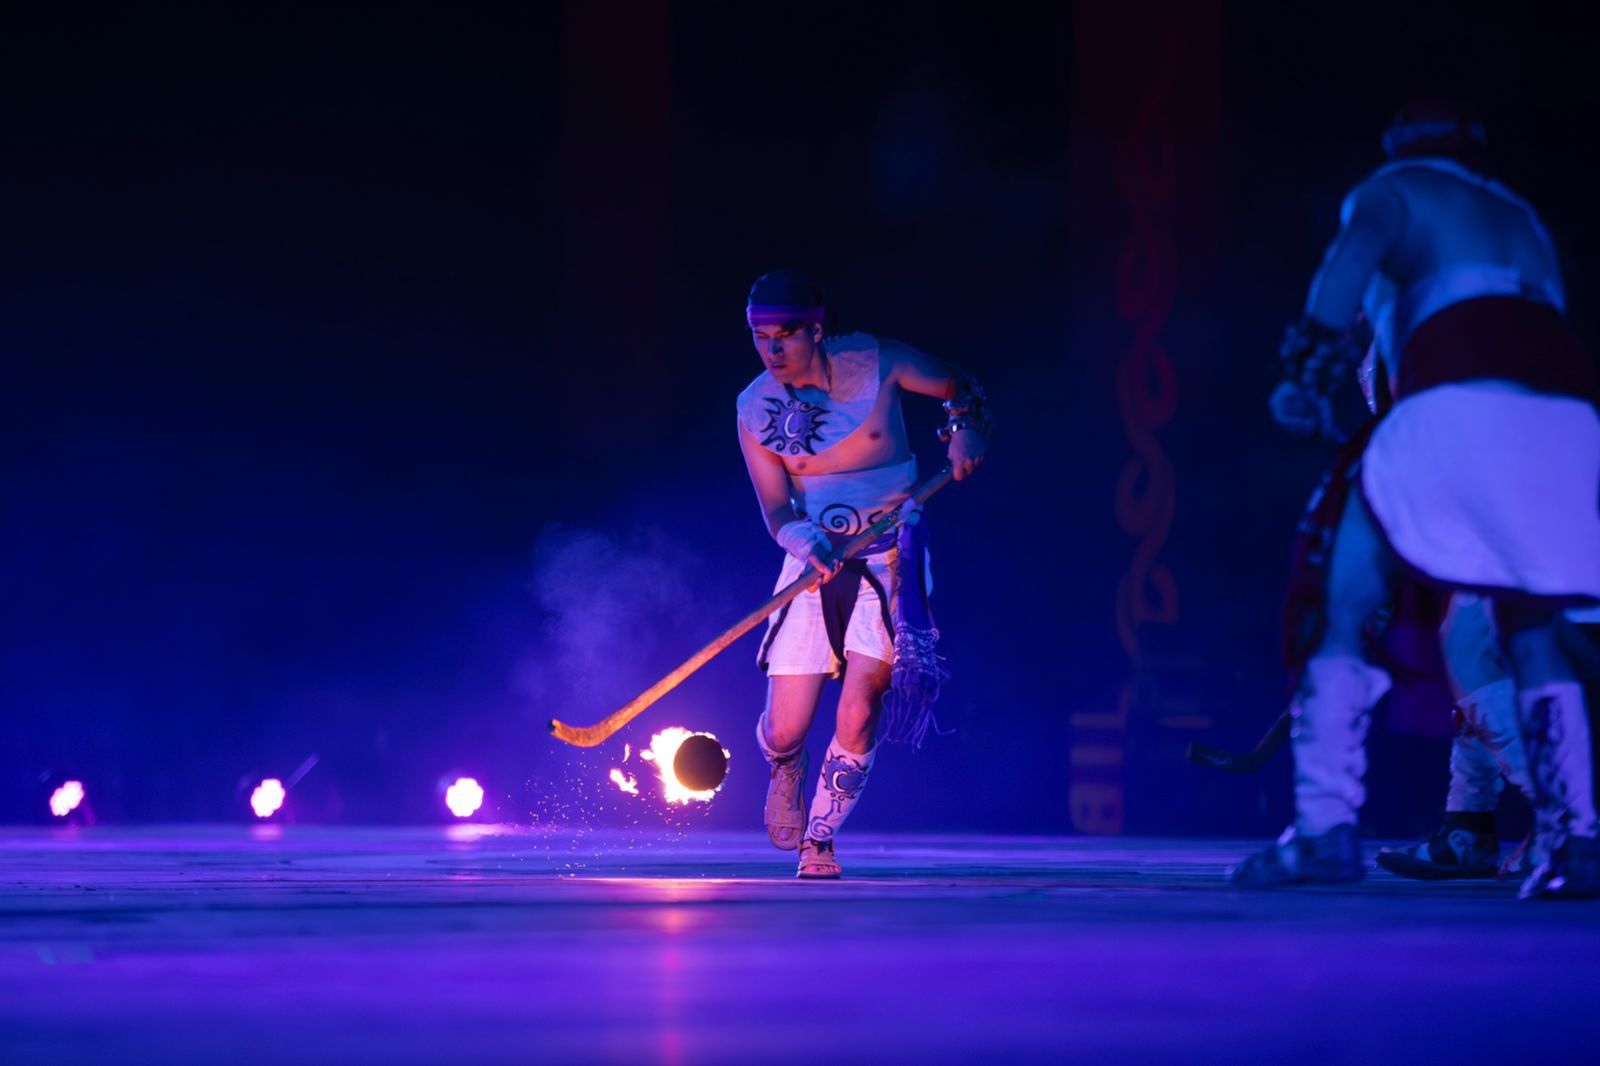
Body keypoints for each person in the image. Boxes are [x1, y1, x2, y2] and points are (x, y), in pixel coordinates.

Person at [1235, 101, 1600, 898]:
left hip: (1461, 400)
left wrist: (1302, 376)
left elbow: (1342, 278)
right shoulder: (1522, 219)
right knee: (1531, 627)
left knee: (1334, 603)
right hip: (1567, 423)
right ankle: (1577, 842)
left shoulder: (1394, 190)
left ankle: (1324, 830)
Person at [735, 269, 990, 879]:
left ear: (815, 330)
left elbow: (959, 384)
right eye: (760, 336)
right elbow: (776, 509)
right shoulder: (754, 408)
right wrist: (803, 538)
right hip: (814, 562)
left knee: (858, 708)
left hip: (889, 559)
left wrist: (963, 428)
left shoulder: (879, 363)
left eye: (785, 335)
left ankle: (819, 839)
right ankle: (785, 764)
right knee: (785, 728)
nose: (772, 350)